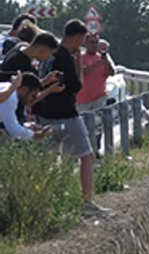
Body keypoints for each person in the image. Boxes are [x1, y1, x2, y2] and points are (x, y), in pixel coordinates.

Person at [32, 20, 106, 216]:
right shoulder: (65, 58)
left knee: (46, 161)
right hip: (64, 114)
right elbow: (76, 86)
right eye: (81, 41)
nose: (81, 45)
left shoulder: (48, 55)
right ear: (76, 37)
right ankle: (87, 202)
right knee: (87, 156)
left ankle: (40, 204)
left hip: (43, 114)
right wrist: (79, 63)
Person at [0, 72, 54, 140]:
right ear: (24, 90)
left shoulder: (8, 87)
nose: (34, 99)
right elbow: (13, 130)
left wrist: (27, 127)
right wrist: (36, 135)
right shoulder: (11, 98)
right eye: (33, 96)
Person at [75, 33, 116, 114]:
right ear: (85, 43)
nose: (94, 45)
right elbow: (83, 71)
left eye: (96, 42)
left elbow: (111, 73)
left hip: (99, 98)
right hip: (82, 99)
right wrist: (96, 65)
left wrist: (107, 63)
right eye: (91, 42)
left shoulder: (102, 58)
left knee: (99, 123)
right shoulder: (80, 57)